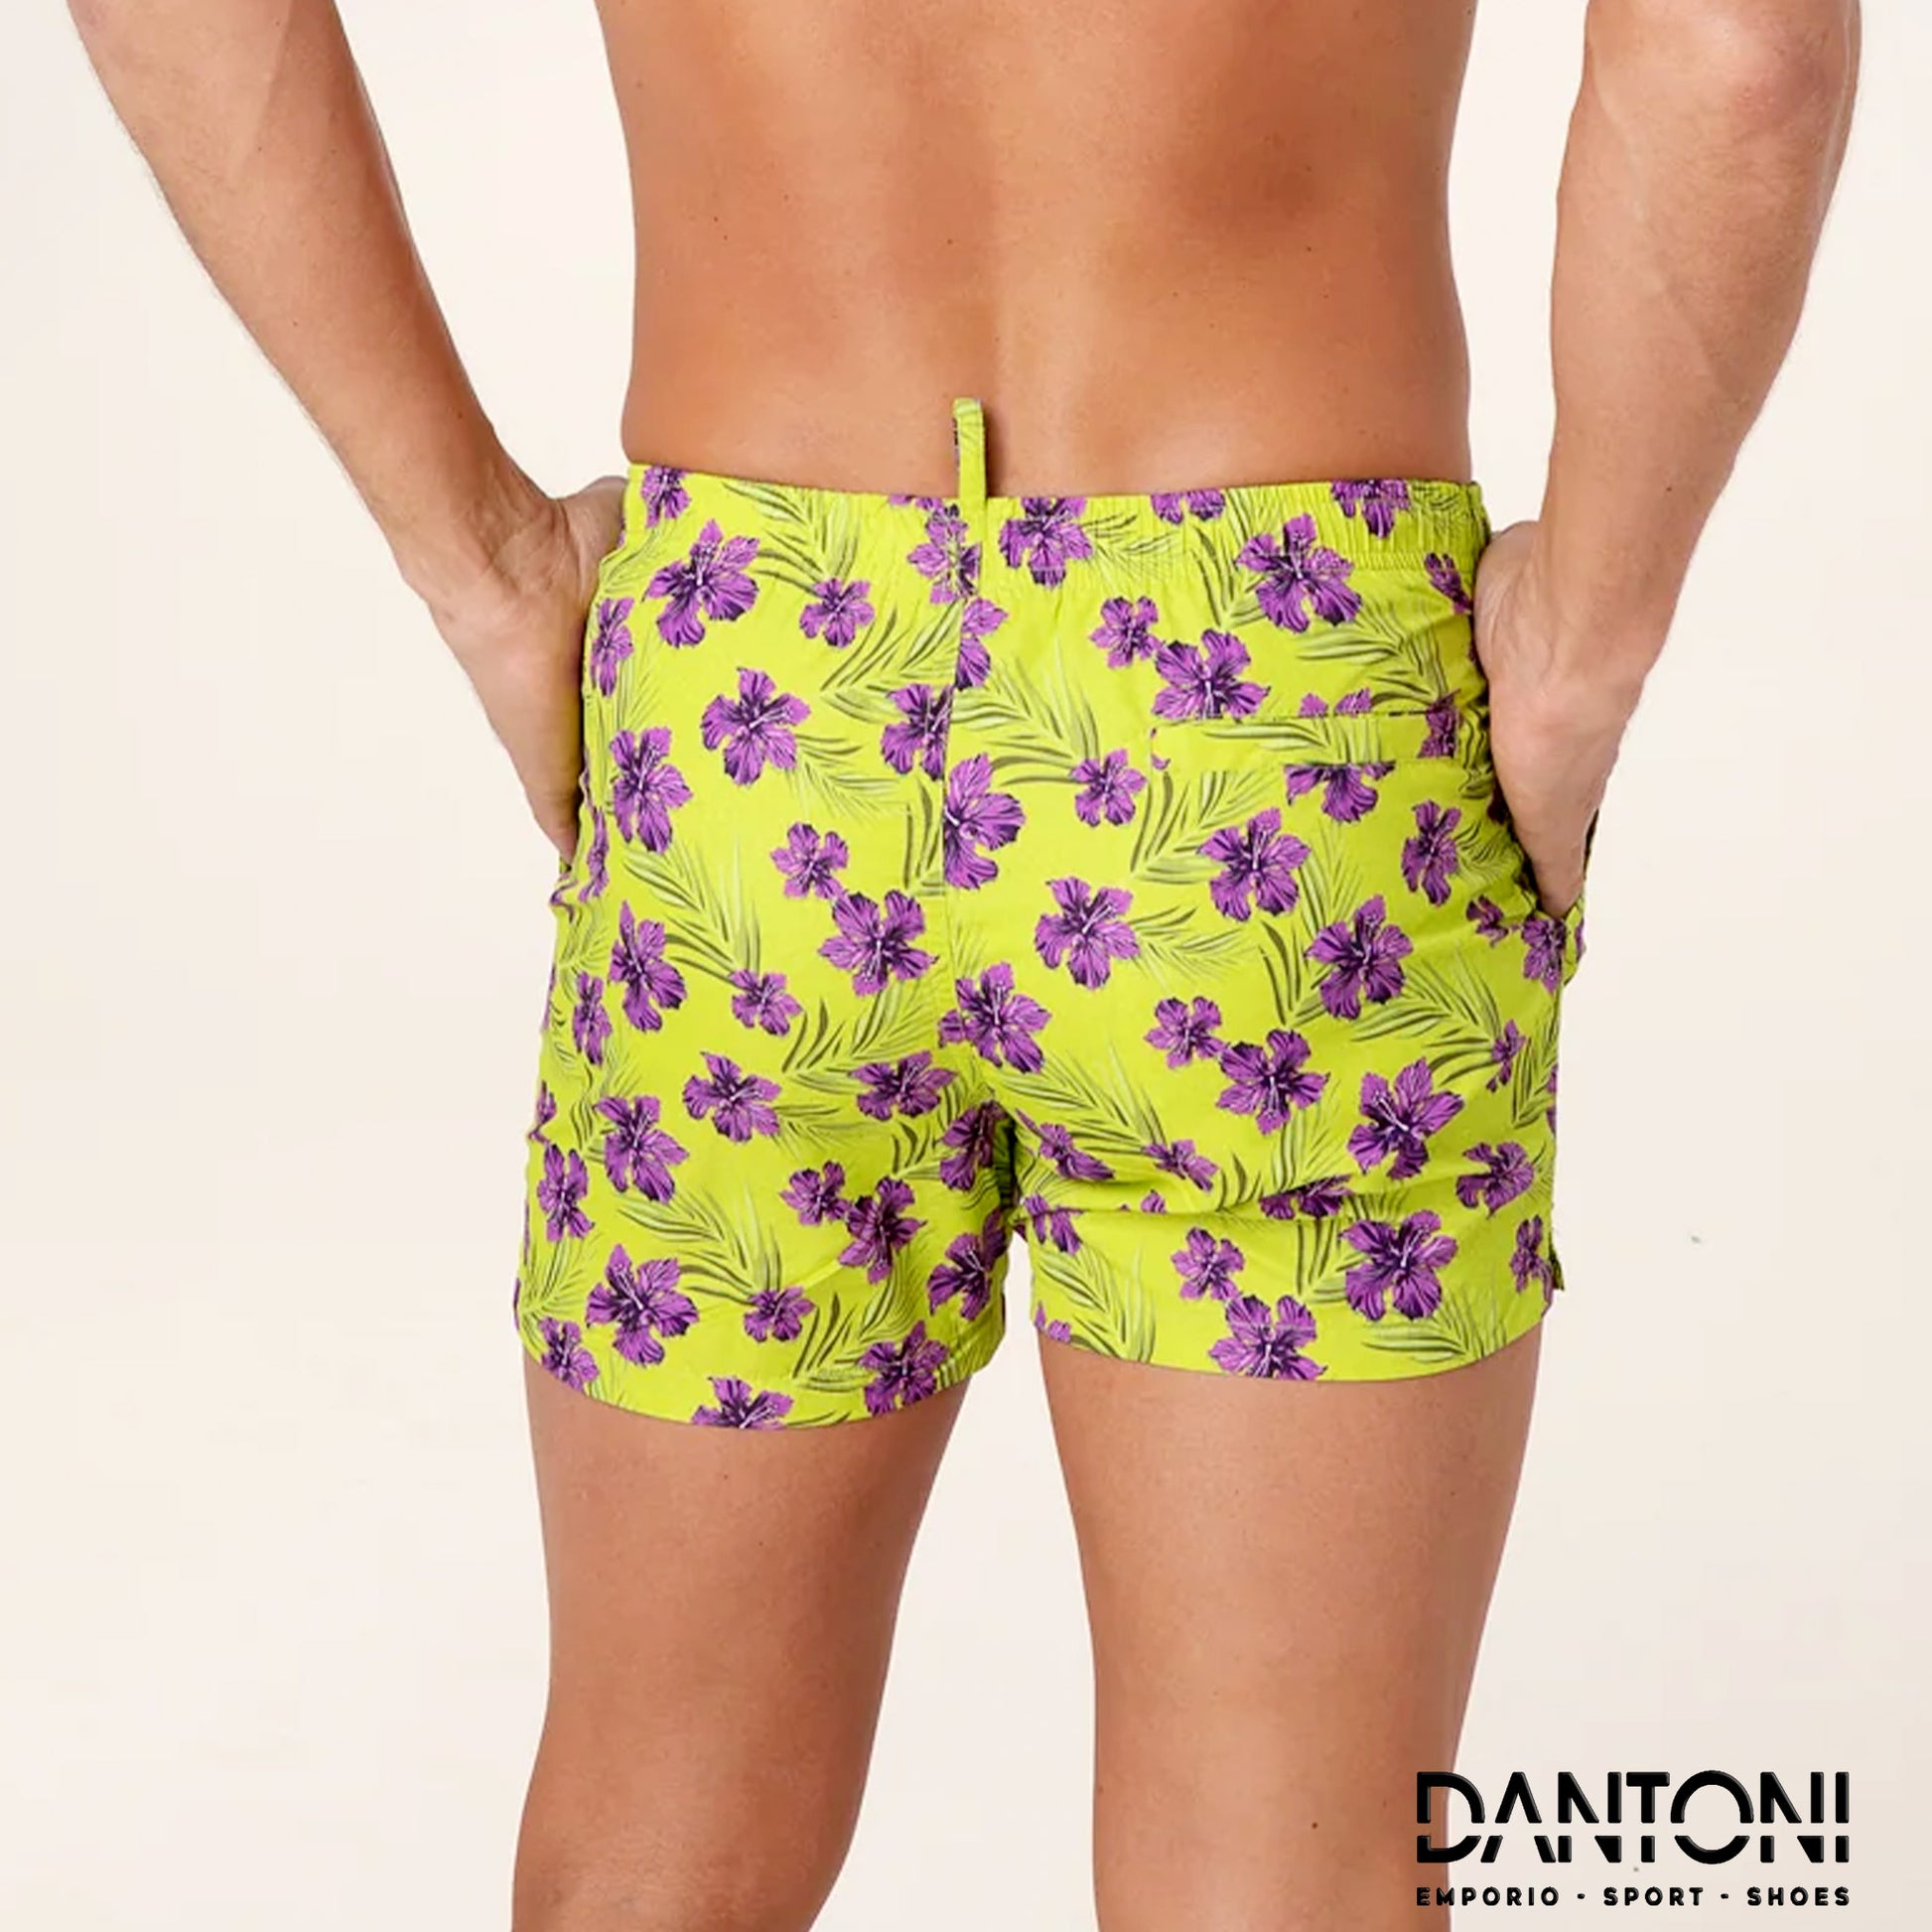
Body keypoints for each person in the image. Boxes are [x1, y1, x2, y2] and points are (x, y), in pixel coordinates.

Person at [68, 0, 1859, 1924]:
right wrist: (1581, 647)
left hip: (753, 702)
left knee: (659, 1842)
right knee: (1288, 1876)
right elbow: (1738, 48)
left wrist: (487, 563)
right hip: (1274, 717)